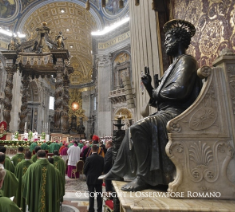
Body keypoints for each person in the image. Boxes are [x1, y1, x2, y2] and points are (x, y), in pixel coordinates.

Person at [102, 20, 202, 191]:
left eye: (169, 38)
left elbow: (180, 90)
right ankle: (117, 170)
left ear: (179, 40)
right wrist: (149, 86)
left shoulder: (187, 61)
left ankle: (144, 177)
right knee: (130, 129)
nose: (165, 42)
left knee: (138, 128)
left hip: (178, 113)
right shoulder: (172, 65)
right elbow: (157, 101)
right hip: (166, 111)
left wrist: (155, 91)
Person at [84, 145, 104, 212]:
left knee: (91, 195)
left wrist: (87, 175)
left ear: (91, 150)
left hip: (90, 179)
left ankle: (91, 209)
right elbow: (103, 168)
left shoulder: (88, 158)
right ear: (98, 150)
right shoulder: (101, 158)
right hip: (99, 178)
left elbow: (85, 170)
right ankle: (99, 209)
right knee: (99, 195)